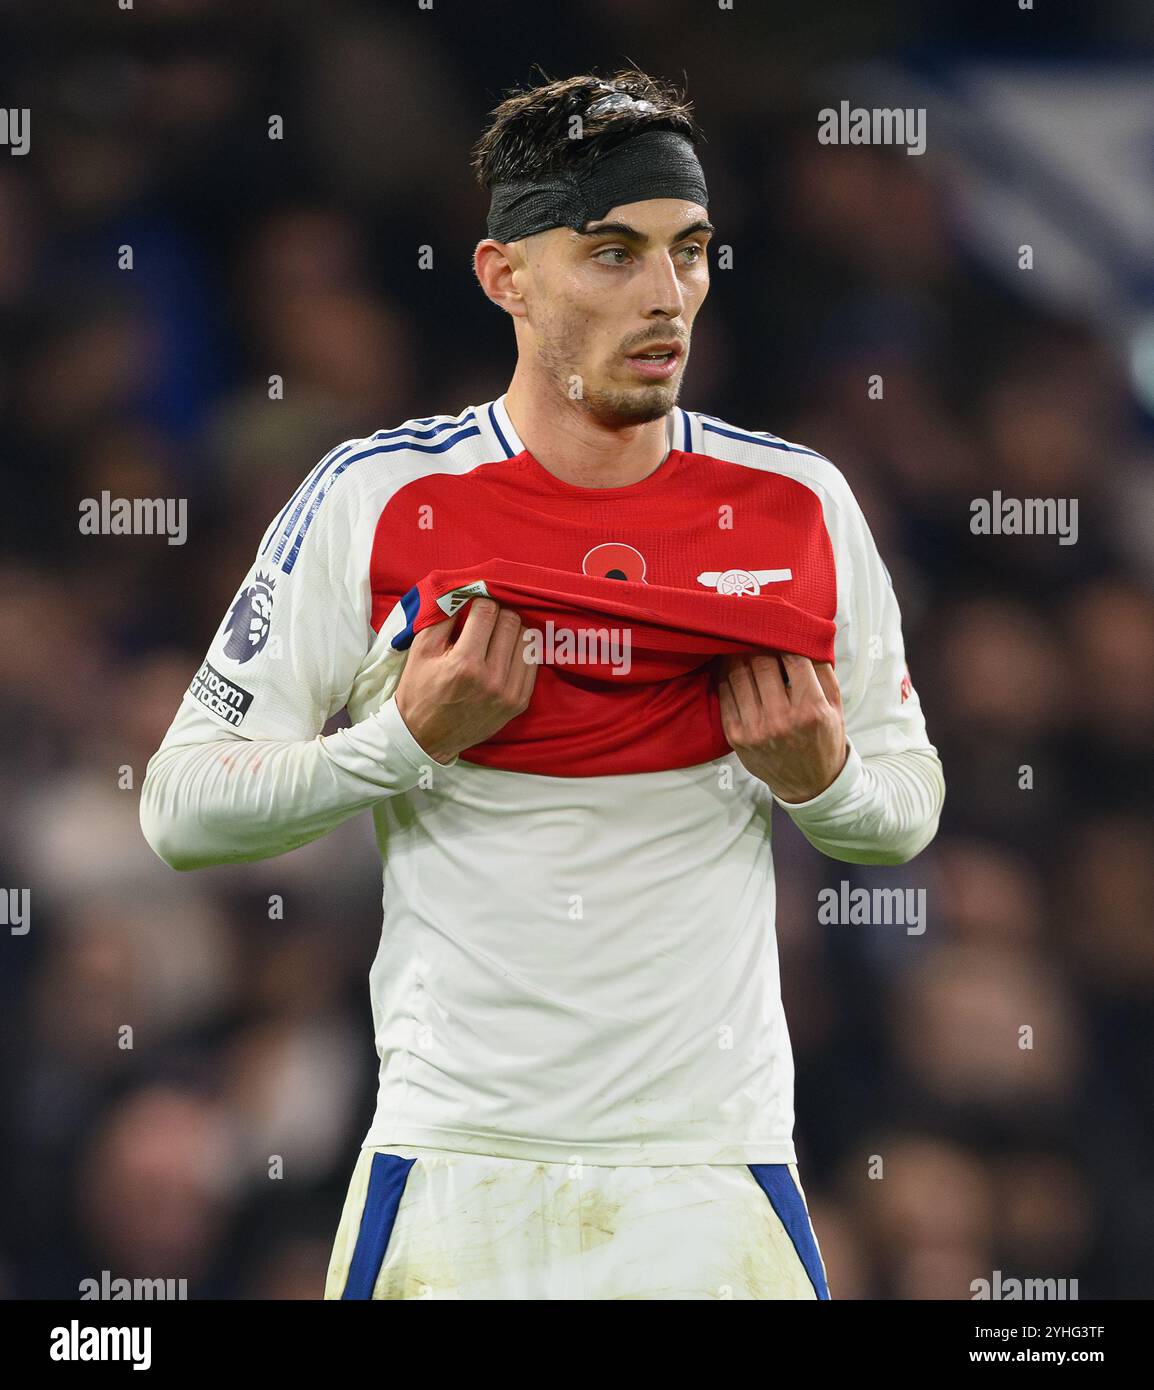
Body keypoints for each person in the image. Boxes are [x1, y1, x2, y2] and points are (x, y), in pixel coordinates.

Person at [140, 68, 945, 1300]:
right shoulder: (378, 500)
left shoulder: (799, 507)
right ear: (503, 274)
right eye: (613, 253)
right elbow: (181, 809)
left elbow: (908, 801)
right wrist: (398, 744)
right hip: (461, 1168)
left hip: (711, 1169)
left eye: (690, 252)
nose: (666, 294)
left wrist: (824, 785)